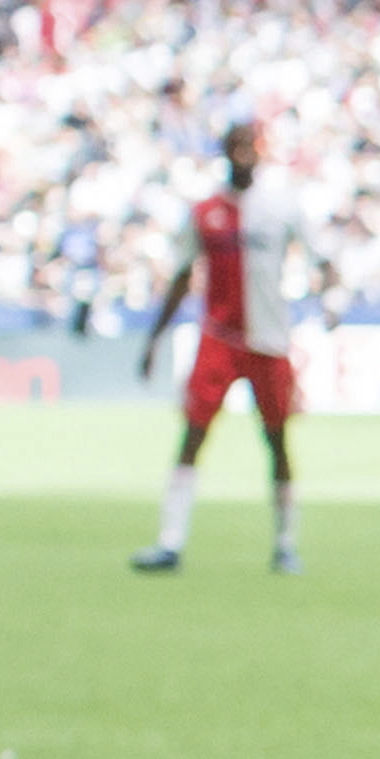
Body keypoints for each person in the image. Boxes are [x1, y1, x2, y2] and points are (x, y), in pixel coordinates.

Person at [129, 118, 302, 577]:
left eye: (252, 145)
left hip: (268, 340)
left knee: (277, 439)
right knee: (193, 434)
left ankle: (285, 544)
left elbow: (323, 258)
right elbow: (183, 276)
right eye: (237, 145)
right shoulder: (205, 211)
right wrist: (154, 338)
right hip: (220, 338)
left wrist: (333, 300)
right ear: (225, 151)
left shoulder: (281, 208)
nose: (244, 153)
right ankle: (170, 543)